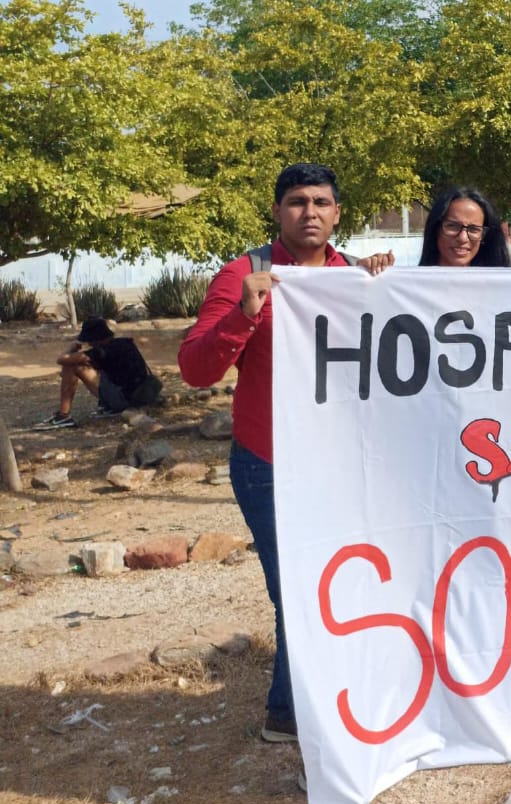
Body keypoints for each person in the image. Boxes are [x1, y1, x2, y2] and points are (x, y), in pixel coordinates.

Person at [177, 163, 393, 761]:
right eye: (297, 202)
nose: (310, 212)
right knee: (295, 589)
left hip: (343, 465)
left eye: (321, 201)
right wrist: (243, 314)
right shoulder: (245, 274)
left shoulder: (356, 276)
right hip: (268, 462)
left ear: (338, 213)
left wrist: (384, 284)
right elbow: (195, 369)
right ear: (277, 211)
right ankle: (297, 713)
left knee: (341, 582)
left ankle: (299, 707)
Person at [33, 316, 161, 429]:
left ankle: (63, 415)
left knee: (70, 367)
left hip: (124, 400)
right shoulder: (124, 344)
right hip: (143, 395)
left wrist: (74, 346)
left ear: (94, 339)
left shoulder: (101, 352)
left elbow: (62, 360)